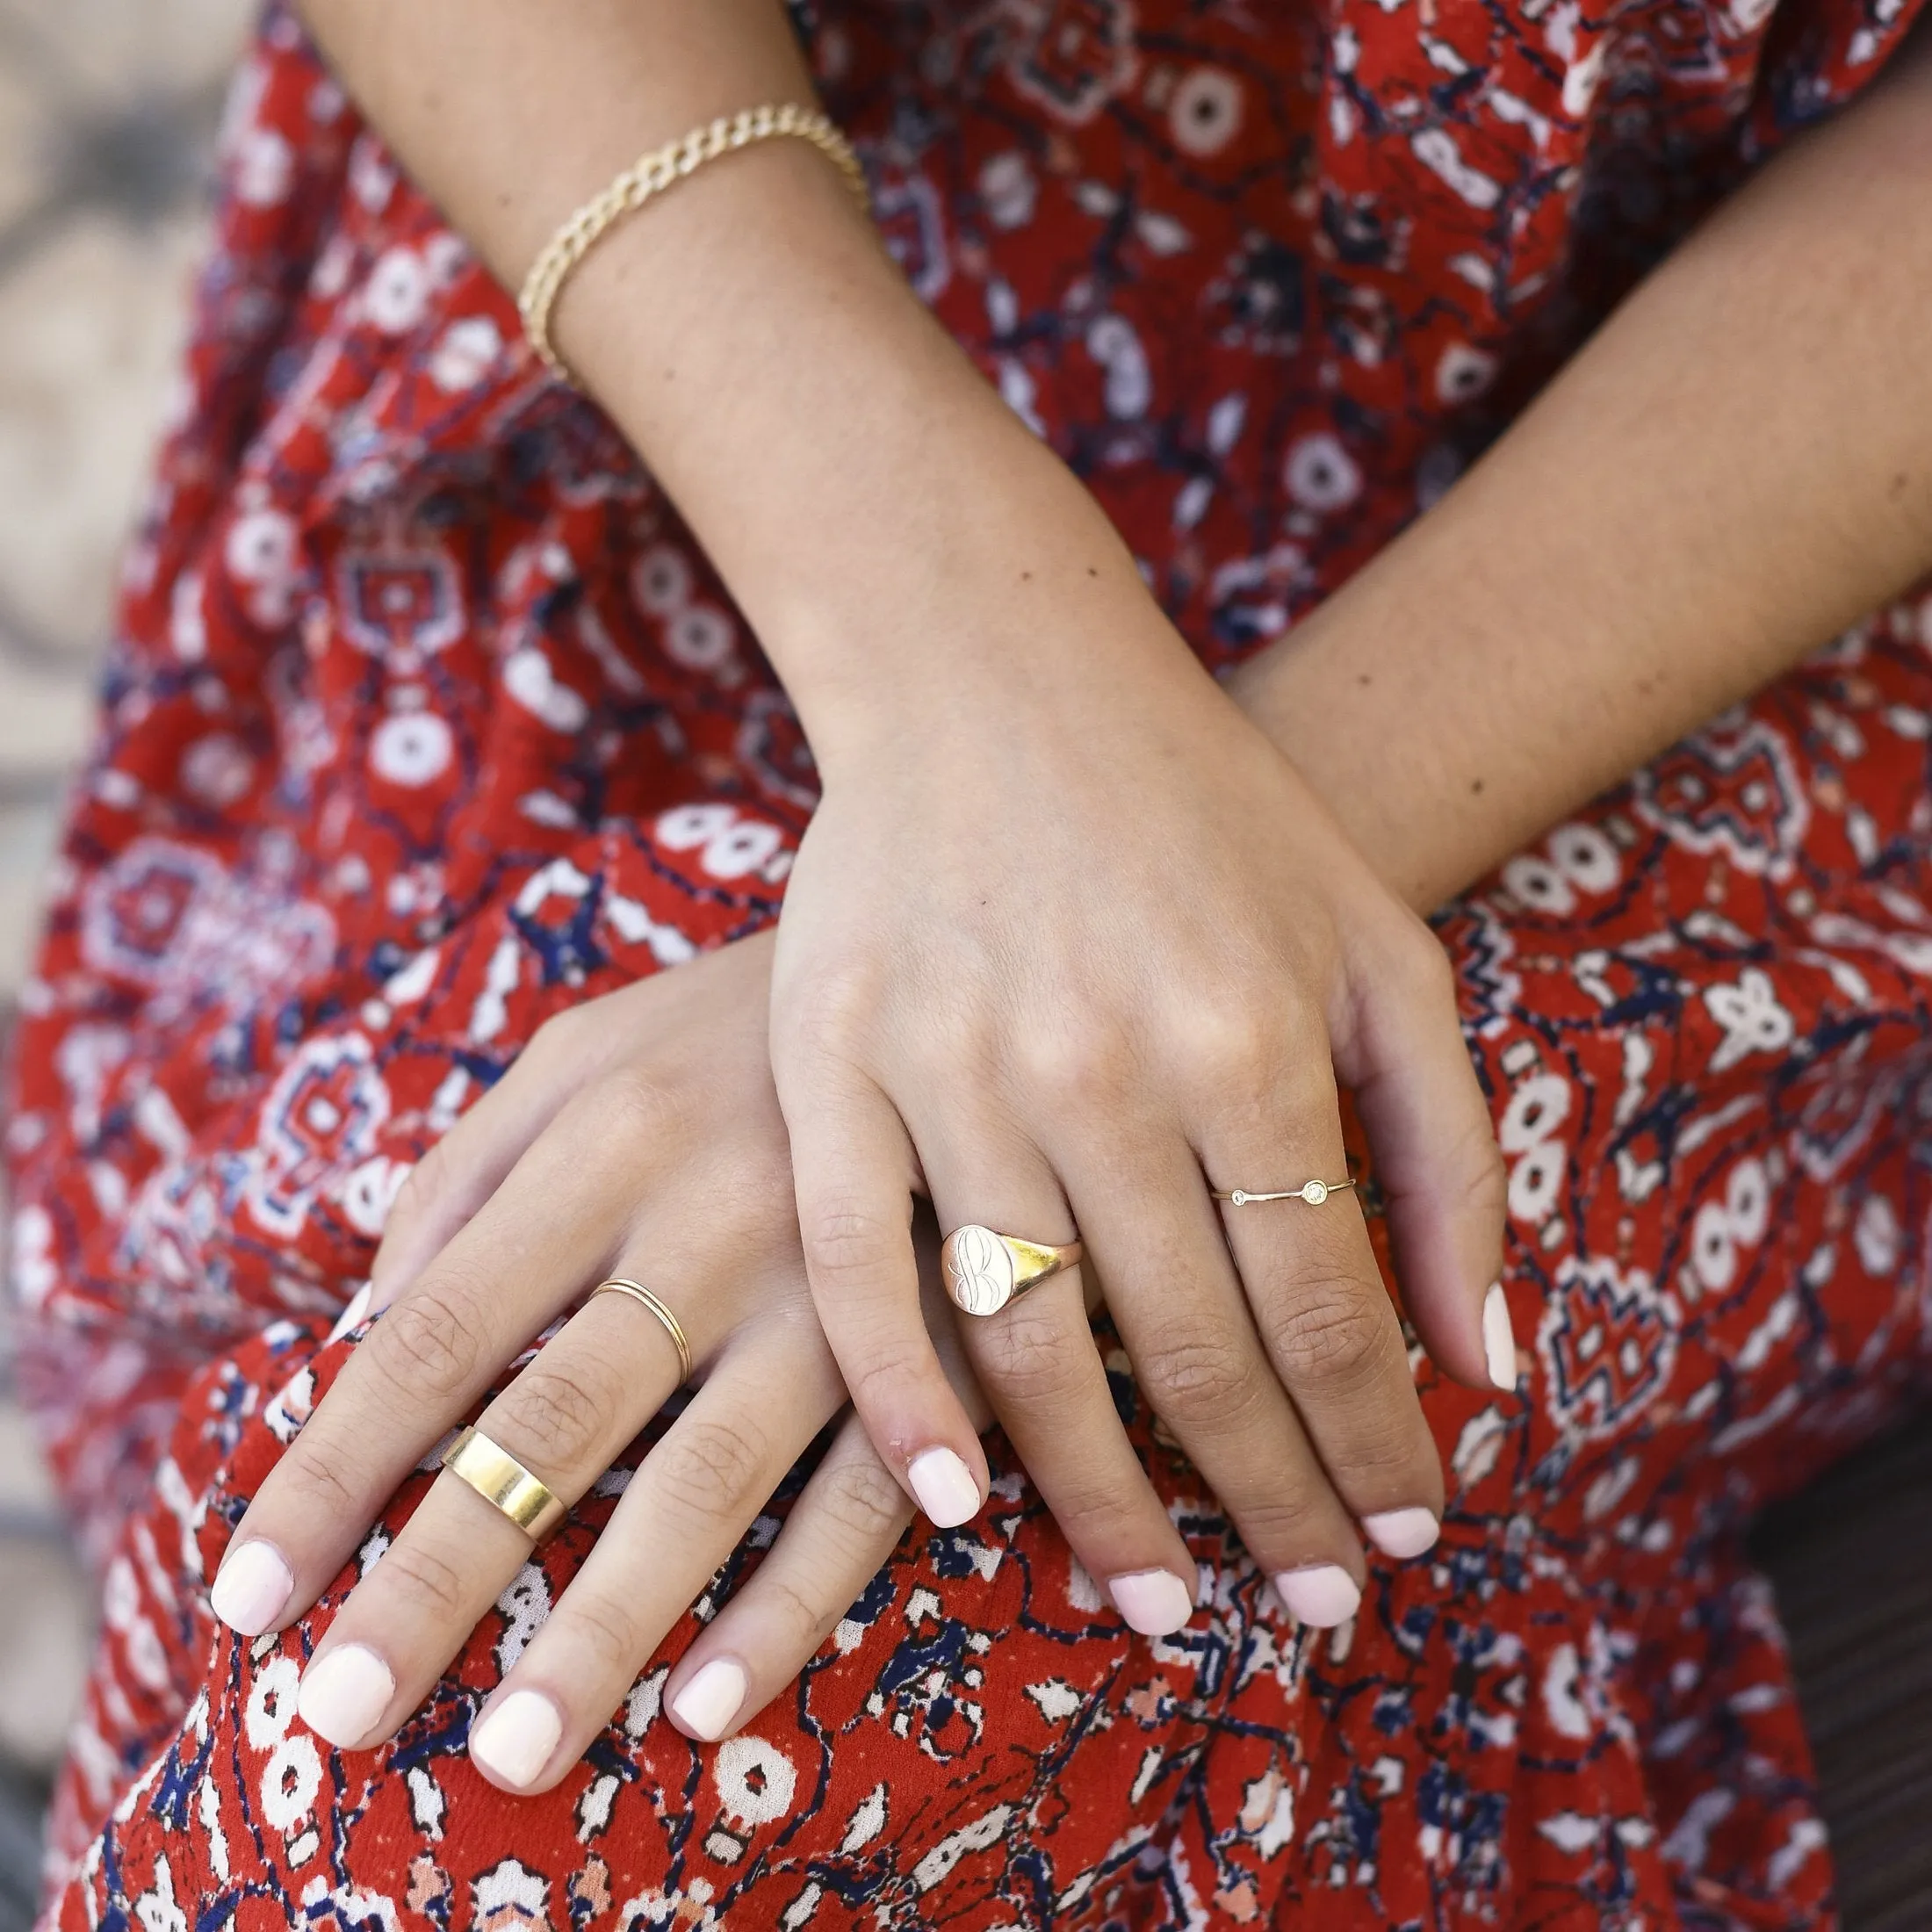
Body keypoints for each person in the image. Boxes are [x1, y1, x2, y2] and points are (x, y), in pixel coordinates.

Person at [10, 0, 1932, 1922]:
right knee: (466, 1383)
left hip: (1700, 543)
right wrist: (952, 668)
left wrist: (1110, 915)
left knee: (560, 1685)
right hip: (736, 289)